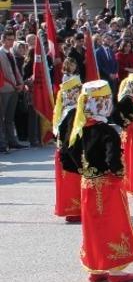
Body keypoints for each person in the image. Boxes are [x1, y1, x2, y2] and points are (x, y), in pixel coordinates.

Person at [64, 80, 133, 282]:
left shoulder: (79, 127)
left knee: (93, 225)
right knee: (112, 223)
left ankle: (96, 268)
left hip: (88, 184)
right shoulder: (106, 131)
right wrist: (118, 171)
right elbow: (113, 159)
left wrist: (83, 169)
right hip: (107, 184)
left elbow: (67, 152)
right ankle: (115, 270)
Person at [52, 74, 83, 222]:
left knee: (67, 184)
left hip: (62, 152)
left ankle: (70, 209)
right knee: (72, 183)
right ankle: (75, 210)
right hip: (70, 153)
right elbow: (71, 137)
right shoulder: (73, 112)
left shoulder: (65, 109)